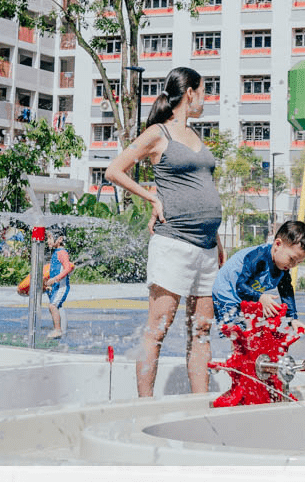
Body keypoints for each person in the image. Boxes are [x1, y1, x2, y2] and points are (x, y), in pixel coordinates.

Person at [105, 67, 225, 397]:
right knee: (158, 329)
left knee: (201, 331)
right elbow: (114, 170)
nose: (205, 97)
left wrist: (216, 239)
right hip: (173, 243)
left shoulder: (196, 135)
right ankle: (145, 404)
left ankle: (200, 404)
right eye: (204, 91)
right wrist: (151, 197)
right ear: (190, 93)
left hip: (206, 248)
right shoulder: (159, 134)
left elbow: (203, 187)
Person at [212, 220, 305, 328]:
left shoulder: (283, 266)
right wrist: (260, 297)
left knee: (256, 330)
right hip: (226, 292)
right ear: (277, 244)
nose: (293, 265)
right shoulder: (258, 258)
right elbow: (240, 286)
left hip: (243, 295)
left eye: (298, 262)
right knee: (237, 332)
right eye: (292, 259)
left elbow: (286, 291)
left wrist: (293, 319)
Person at [44, 226, 74, 339]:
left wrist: (55, 279)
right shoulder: (56, 252)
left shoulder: (62, 252)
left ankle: (58, 330)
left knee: (52, 306)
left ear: (60, 239)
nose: (48, 241)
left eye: (50, 238)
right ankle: (61, 329)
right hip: (56, 286)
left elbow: (67, 268)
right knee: (56, 307)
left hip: (61, 286)